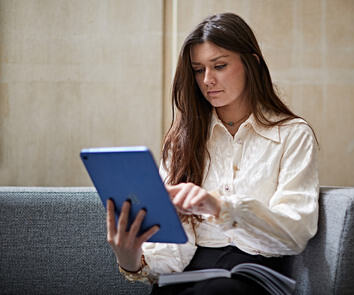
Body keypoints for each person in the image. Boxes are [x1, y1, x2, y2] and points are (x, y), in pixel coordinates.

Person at [106, 12, 319, 294]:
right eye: (198, 70)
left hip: (251, 277)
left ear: (251, 64)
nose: (207, 80)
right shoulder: (182, 138)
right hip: (187, 277)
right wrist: (130, 258)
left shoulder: (292, 134)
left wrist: (220, 206)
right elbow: (169, 257)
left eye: (219, 65)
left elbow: (294, 233)